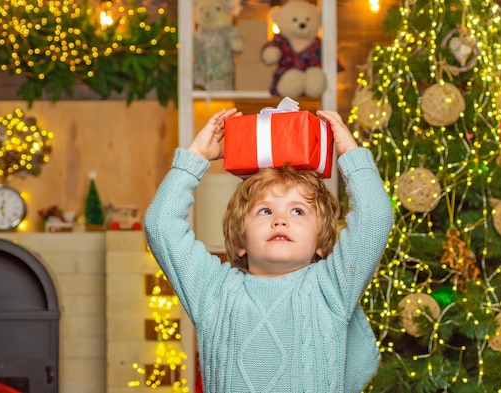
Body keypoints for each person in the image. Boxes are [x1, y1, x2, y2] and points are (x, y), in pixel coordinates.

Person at [144, 108, 394, 393]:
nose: (280, 219)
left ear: (321, 245)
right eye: (265, 210)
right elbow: (161, 224)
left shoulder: (331, 287)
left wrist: (351, 154)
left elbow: (374, 217)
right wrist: (195, 157)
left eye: (298, 211)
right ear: (241, 240)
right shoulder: (214, 291)